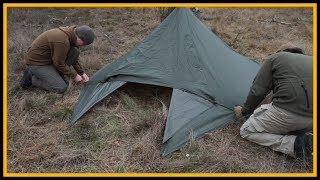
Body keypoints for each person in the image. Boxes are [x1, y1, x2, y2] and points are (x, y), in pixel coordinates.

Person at [234, 43, 313, 166]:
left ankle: (296, 145)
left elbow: (258, 91)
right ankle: (308, 137)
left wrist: (245, 111)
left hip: (287, 113)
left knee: (247, 131)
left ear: (280, 51)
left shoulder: (275, 58)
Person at [20, 25, 96, 93]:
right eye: (84, 44)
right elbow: (59, 63)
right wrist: (75, 76)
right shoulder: (62, 41)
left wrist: (81, 73)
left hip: (49, 58)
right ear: (79, 38)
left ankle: (53, 75)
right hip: (37, 63)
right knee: (61, 87)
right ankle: (32, 78)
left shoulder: (71, 34)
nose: (83, 46)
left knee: (75, 51)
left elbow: (74, 58)